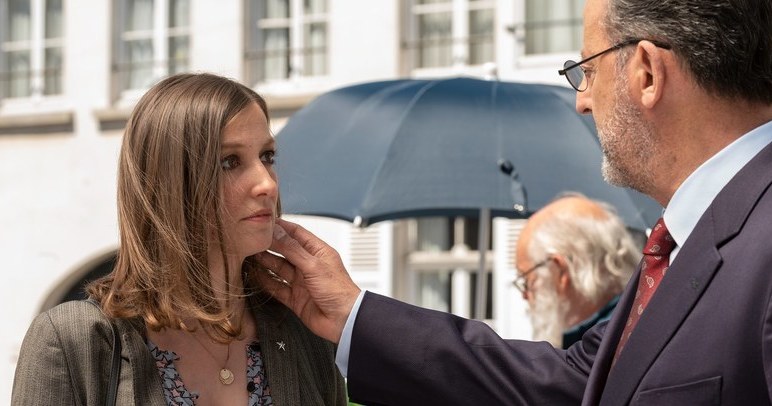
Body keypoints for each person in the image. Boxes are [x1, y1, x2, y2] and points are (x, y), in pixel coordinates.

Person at [258, 0, 772, 403]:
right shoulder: (681, 239)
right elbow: (570, 385)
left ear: (646, 72)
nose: (581, 99)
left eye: (586, 69)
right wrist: (354, 314)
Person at [11, 73, 347, 405]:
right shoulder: (74, 341)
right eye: (230, 162)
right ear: (169, 183)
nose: (268, 184)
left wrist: (351, 319)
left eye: (267, 157)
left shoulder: (304, 333)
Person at [514, 193, 639, 349]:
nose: (525, 295)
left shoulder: (599, 348)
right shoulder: (641, 318)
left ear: (559, 271)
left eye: (527, 281)